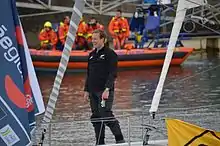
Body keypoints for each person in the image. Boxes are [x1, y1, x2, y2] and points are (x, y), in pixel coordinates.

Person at [84, 29, 125, 145]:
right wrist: (86, 90)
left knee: (105, 114)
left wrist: (107, 89)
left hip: (104, 91)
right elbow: (89, 74)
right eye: (92, 39)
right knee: (96, 117)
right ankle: (100, 142)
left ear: (103, 39)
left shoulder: (110, 54)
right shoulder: (91, 55)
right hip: (92, 91)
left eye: (96, 39)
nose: (93, 41)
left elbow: (113, 73)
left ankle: (120, 139)